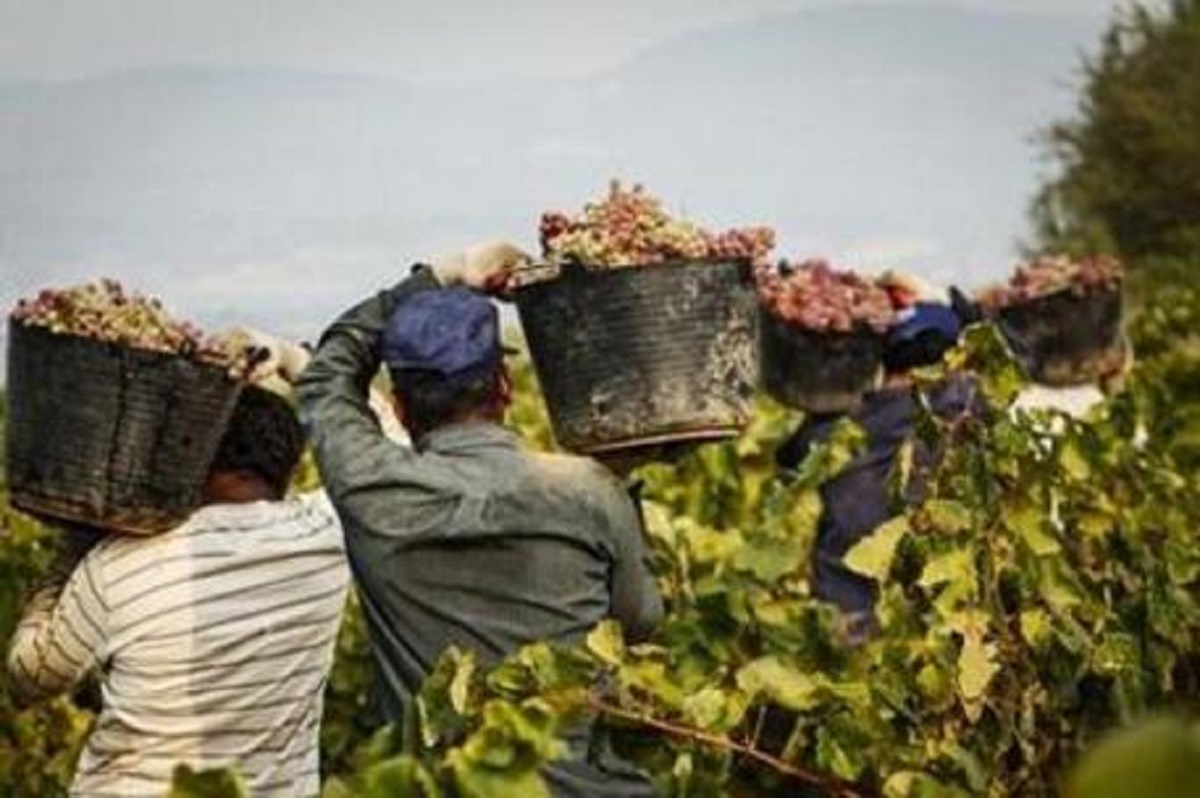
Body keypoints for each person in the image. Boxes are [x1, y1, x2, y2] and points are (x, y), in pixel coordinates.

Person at [284, 241, 663, 796]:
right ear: (505, 389)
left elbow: (326, 375)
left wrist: (441, 275)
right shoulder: (589, 489)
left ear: (405, 412)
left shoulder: (369, 489)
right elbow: (640, 621)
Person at [6, 386, 349, 797]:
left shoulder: (119, 564)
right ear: (290, 465)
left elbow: (30, 676)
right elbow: (394, 439)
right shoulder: (329, 532)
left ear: (190, 456)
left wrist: (72, 555)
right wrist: (288, 356)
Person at [776, 300, 975, 636]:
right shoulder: (963, 411)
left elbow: (787, 461)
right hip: (945, 623)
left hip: (848, 615)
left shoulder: (834, 426)